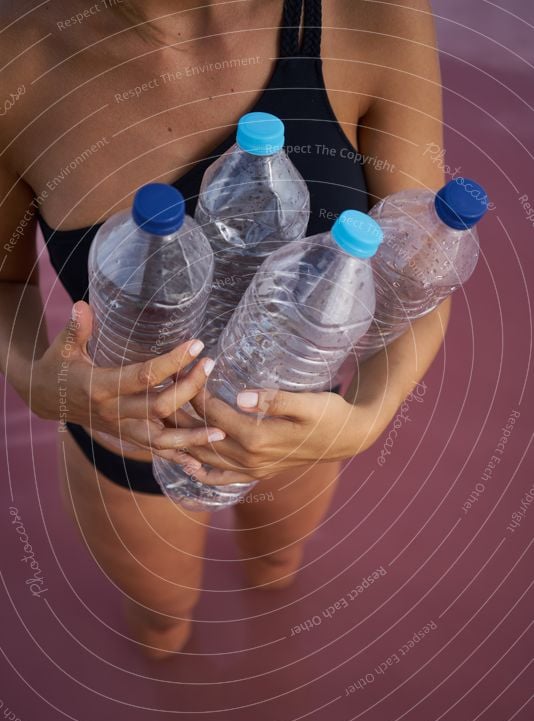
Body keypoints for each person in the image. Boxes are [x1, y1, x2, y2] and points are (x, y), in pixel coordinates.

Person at [0, 0, 448, 658]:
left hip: (293, 415)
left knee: (277, 564)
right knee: (160, 624)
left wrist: (369, 413)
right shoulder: (18, 56)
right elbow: (4, 280)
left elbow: (422, 271)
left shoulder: (376, 14)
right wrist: (36, 382)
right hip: (126, 437)